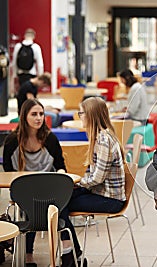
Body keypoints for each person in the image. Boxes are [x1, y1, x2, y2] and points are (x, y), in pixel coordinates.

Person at [58, 97, 126, 267]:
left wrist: (78, 183)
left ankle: (71, 255)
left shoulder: (103, 140)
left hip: (111, 199)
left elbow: (97, 178)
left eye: (81, 113)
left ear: (90, 115)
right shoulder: (101, 136)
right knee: (59, 199)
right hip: (102, 193)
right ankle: (72, 255)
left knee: (59, 203)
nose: (79, 116)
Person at [3, 99, 66, 267]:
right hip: (23, 190)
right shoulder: (12, 141)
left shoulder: (50, 139)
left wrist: (61, 176)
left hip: (48, 189)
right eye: (34, 114)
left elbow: (60, 166)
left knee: (62, 202)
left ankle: (67, 253)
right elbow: (8, 173)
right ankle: (29, 255)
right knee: (33, 206)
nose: (39, 118)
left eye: (41, 114)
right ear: (24, 117)